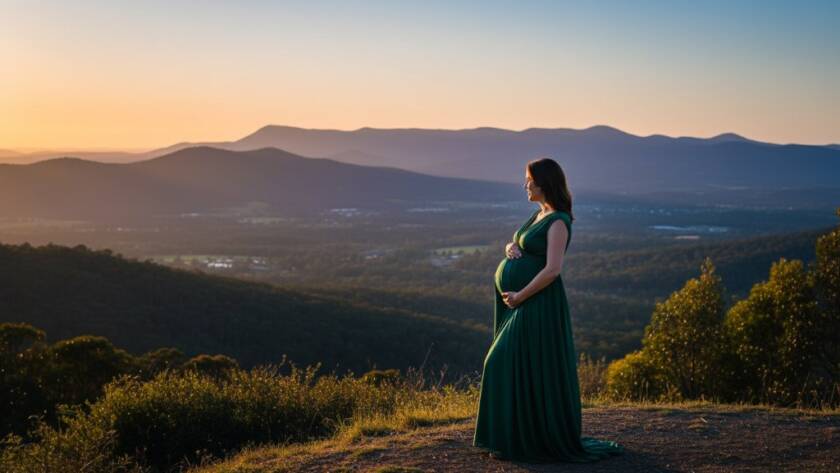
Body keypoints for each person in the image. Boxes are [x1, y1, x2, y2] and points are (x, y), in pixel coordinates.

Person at [472, 157, 624, 462]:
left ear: (544, 183)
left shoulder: (558, 221)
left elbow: (553, 269)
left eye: (529, 180)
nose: (525, 184)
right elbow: (522, 245)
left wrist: (521, 296)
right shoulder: (539, 214)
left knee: (498, 361)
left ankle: (525, 439)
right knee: (519, 367)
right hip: (521, 302)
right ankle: (512, 439)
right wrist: (510, 248)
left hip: (537, 303)